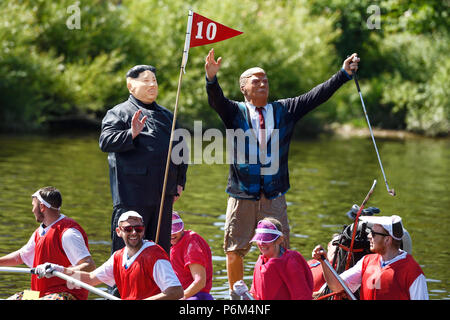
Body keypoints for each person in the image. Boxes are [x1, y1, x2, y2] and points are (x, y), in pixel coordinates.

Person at [204, 48, 360, 298]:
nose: (263, 83)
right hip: (242, 194)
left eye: (265, 79)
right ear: (244, 88)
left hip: (274, 194)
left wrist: (343, 74)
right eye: (256, 80)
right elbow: (216, 101)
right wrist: (211, 79)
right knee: (234, 248)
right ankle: (236, 296)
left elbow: (315, 96)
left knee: (281, 246)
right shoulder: (234, 112)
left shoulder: (284, 109)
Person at [99, 64, 188, 255]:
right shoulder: (119, 112)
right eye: (146, 81)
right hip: (131, 195)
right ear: (131, 86)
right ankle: (120, 285)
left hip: (163, 194)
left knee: (159, 248)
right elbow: (105, 141)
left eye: (154, 81)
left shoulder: (167, 116)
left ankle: (156, 285)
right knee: (128, 249)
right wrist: (131, 133)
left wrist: (180, 182)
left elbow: (181, 150)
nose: (152, 85)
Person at [36, 211, 184, 300]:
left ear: (143, 230)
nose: (134, 233)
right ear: (119, 232)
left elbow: (176, 292)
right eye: (128, 229)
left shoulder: (154, 255)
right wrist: (59, 270)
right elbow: (91, 279)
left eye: (138, 229)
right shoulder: (118, 257)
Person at [0, 186, 95, 300]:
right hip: (39, 294)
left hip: (66, 294)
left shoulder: (68, 233)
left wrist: (60, 270)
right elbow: (20, 256)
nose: (32, 210)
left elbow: (89, 266)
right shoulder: (40, 232)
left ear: (42, 207)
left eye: (33, 206)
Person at [311, 215, 429, 300]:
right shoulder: (367, 261)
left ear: (387, 240)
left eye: (373, 233)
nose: (368, 236)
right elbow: (336, 286)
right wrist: (323, 261)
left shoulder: (413, 272)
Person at [234, 218, 313, 300]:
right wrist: (246, 295)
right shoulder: (260, 262)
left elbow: (303, 296)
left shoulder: (291, 261)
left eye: (266, 239)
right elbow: (255, 295)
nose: (261, 243)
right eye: (259, 238)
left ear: (279, 240)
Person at [170, 212, 214, 300]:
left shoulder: (191, 242)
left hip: (197, 296)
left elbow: (200, 282)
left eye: (176, 230)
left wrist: (182, 297)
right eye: (169, 231)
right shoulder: (172, 244)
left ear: (182, 228)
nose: (172, 234)